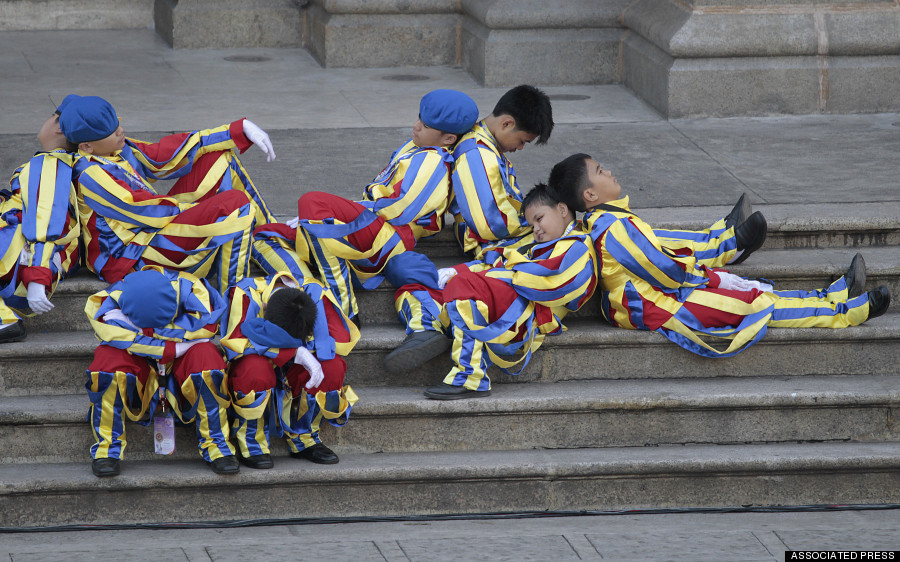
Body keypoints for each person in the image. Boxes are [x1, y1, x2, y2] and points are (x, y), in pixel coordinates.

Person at [549, 152, 891, 357]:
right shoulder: (613, 229)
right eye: (599, 171)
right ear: (591, 194)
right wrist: (703, 275)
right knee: (755, 304)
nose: (608, 171)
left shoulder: (609, 220)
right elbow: (664, 270)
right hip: (665, 304)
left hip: (665, 295)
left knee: (753, 293)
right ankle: (846, 312)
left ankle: (830, 296)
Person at [253, 89, 479, 321]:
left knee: (312, 201)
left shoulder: (433, 160)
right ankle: (308, 289)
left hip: (388, 235)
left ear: (449, 139)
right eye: (419, 117)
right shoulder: (418, 149)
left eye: (426, 126)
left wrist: (349, 208)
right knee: (263, 235)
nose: (417, 125)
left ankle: (344, 307)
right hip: (374, 226)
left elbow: (400, 210)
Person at [386, 183, 597, 399]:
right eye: (532, 224)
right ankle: (427, 331)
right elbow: (493, 266)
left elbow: (551, 283)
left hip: (526, 312)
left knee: (465, 285)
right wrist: (452, 272)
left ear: (562, 210)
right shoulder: (533, 246)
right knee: (413, 288)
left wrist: (498, 269)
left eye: (539, 219)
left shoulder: (578, 247)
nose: (536, 229)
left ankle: (470, 376)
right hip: (498, 294)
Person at [59, 94, 276, 292]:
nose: (120, 132)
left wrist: (236, 130)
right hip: (130, 256)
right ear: (86, 147)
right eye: (111, 132)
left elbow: (162, 155)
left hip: (150, 227)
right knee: (236, 205)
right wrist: (202, 211)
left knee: (218, 157)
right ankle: (236, 296)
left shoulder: (114, 148)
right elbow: (143, 208)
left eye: (118, 124)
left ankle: (270, 235)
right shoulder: (89, 174)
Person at [84, 267, 238, 477]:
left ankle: (217, 445)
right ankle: (106, 449)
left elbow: (206, 327)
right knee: (106, 362)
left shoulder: (192, 288)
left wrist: (141, 332)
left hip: (180, 365)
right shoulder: (118, 293)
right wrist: (172, 342)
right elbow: (108, 329)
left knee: (208, 358)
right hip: (140, 364)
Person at [220, 272, 359, 467]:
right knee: (253, 368)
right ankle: (252, 443)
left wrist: (305, 348)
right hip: (260, 365)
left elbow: (342, 341)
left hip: (293, 370)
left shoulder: (316, 293)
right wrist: (293, 351)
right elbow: (234, 343)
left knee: (332, 366)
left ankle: (304, 437)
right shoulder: (246, 292)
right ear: (265, 309)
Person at [0, 104, 81, 343]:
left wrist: (37, 277)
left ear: (58, 129)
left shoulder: (49, 164)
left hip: (24, 255)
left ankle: (5, 320)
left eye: (51, 117)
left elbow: (45, 220)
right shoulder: (60, 163)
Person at [449, 84, 554, 257]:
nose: (520, 148)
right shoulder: (476, 153)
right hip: (492, 245)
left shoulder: (485, 144)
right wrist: (536, 222)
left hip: (505, 235)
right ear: (506, 123)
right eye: (522, 141)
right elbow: (491, 223)